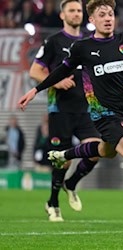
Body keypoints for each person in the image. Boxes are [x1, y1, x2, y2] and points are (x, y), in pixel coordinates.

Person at [18, 0, 123, 224]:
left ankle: (66, 158)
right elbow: (61, 71)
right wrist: (35, 90)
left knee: (106, 150)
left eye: (110, 14)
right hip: (101, 113)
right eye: (102, 15)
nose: (108, 18)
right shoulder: (82, 48)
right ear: (92, 20)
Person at [29, 0, 103, 222]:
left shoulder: (90, 42)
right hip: (60, 109)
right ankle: (53, 203)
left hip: (86, 108)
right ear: (62, 15)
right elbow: (35, 71)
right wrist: (56, 83)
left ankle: (71, 184)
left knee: (97, 150)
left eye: (79, 10)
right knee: (63, 160)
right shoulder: (53, 42)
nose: (76, 14)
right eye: (71, 10)